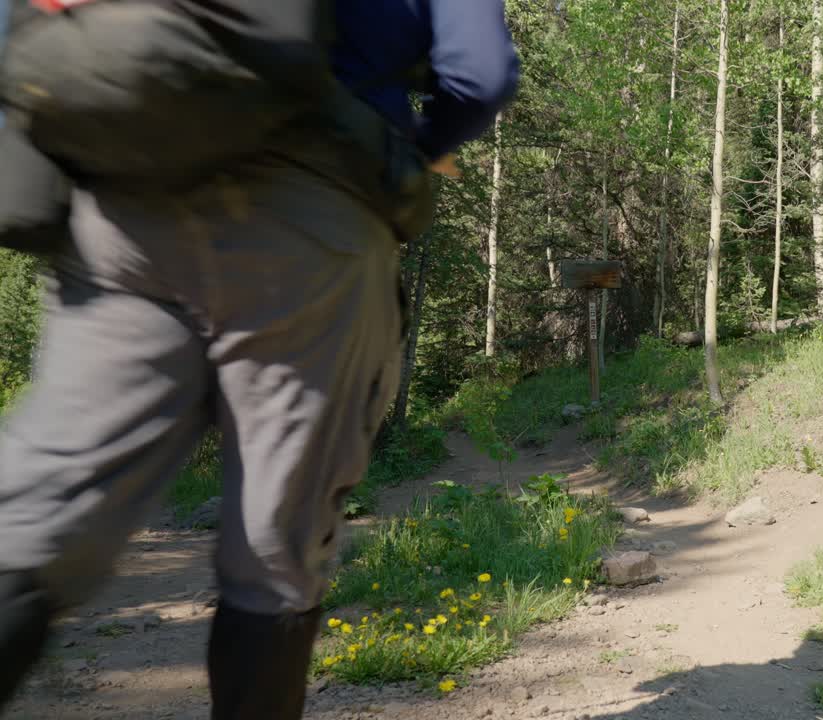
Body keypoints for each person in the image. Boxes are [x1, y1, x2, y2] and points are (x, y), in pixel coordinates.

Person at [0, 1, 519, 717]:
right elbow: (480, 76)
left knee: (37, 518)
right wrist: (417, 149)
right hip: (311, 221)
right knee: (275, 555)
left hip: (124, 204)